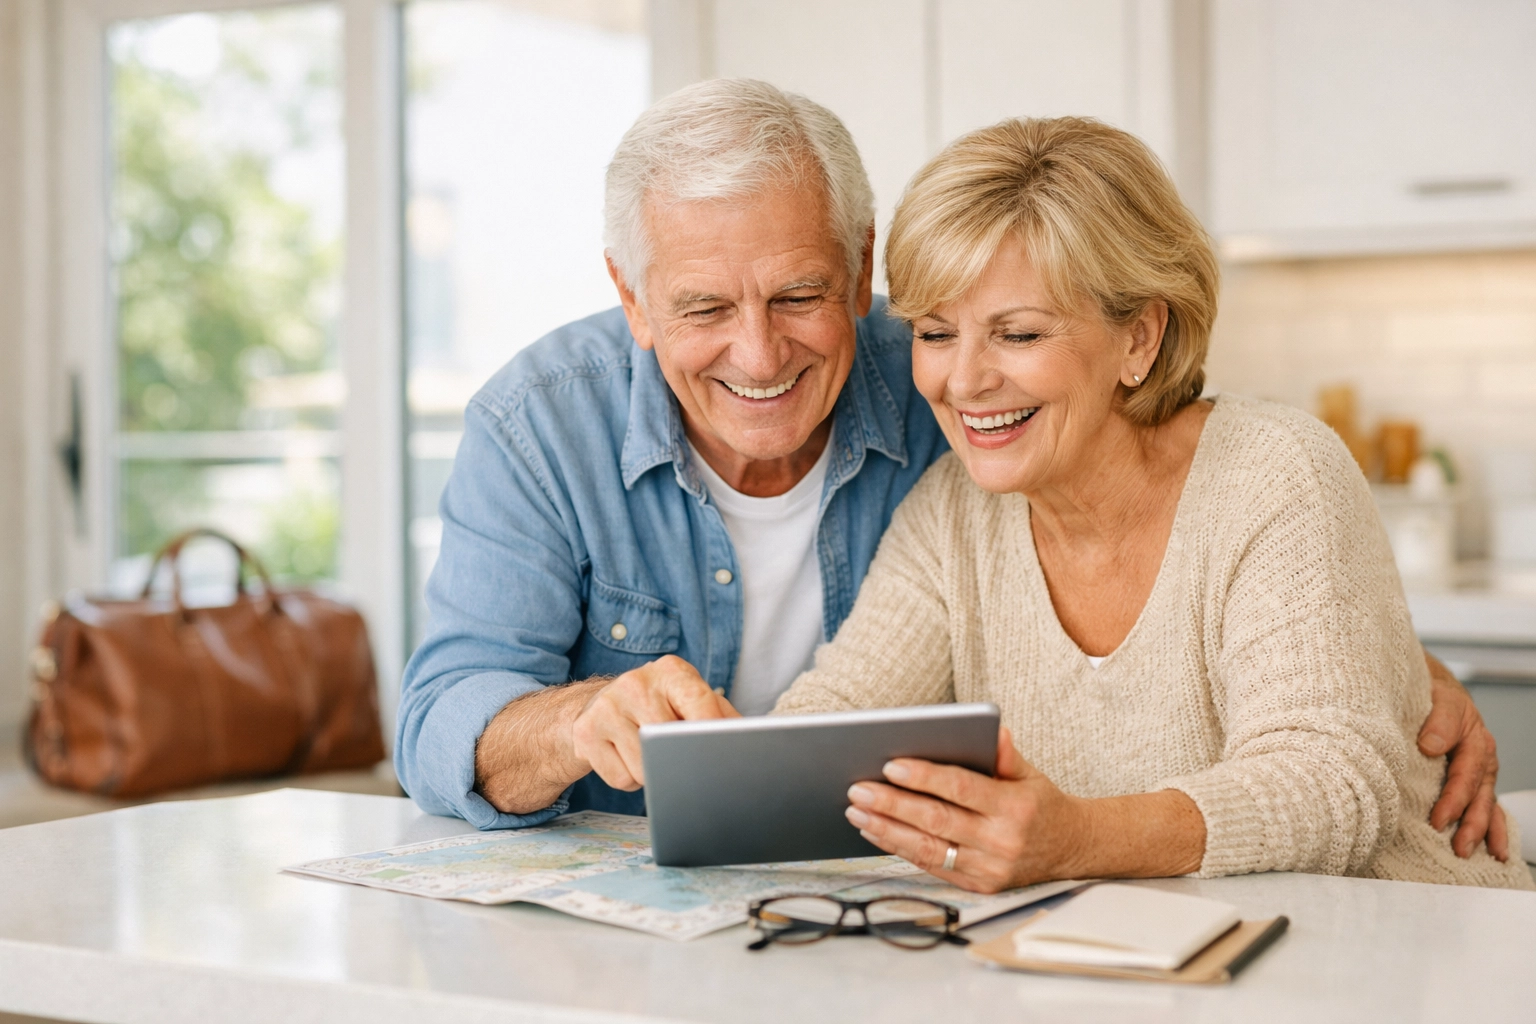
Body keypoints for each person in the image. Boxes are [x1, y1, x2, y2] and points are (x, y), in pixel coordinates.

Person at [394, 78, 1506, 861]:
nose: (964, 380)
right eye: (938, 331)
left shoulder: (1234, 461)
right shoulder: (955, 497)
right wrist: (589, 726)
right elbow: (818, 738)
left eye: (797, 295)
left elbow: (1316, 738)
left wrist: (1390, 670)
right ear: (633, 298)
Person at [770, 116, 1530, 889]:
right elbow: (837, 722)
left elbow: (1329, 782)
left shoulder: (1275, 472)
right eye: (935, 333)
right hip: (1158, 967)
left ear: (1139, 339)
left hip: (1408, 952)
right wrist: (683, 744)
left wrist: (1077, 839)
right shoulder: (951, 516)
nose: (962, 381)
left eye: (1019, 334)